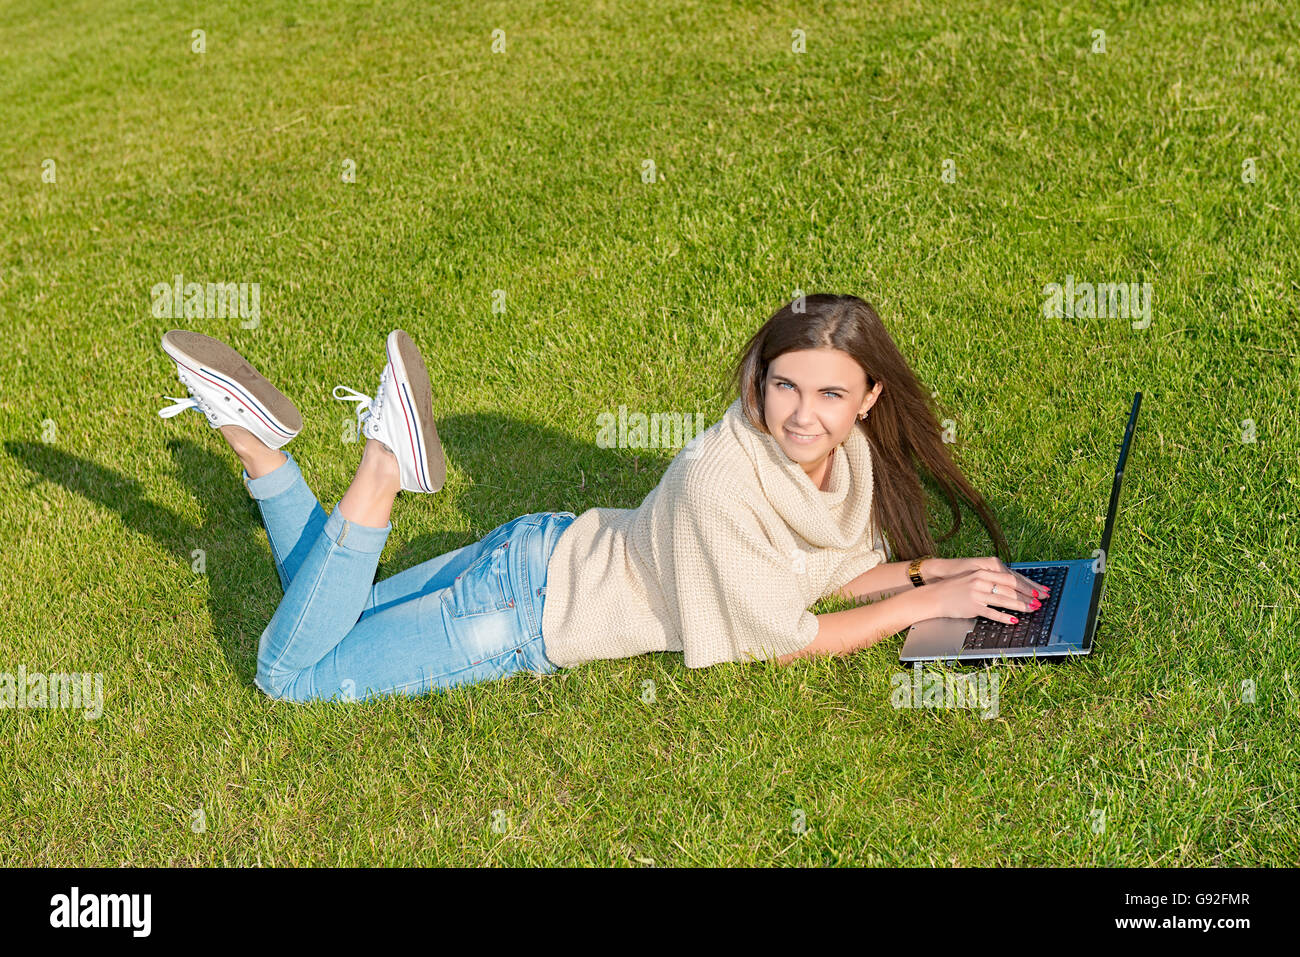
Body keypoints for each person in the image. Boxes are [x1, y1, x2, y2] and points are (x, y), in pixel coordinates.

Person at [157, 294, 1048, 704]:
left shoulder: (844, 462)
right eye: (785, 386)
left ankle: (250, 439)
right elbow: (787, 638)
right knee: (288, 675)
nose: (803, 414)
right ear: (758, 382)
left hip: (535, 554)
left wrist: (929, 568)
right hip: (518, 615)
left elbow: (814, 580)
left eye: (828, 393)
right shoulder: (721, 476)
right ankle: (387, 459)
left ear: (867, 400)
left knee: (324, 605)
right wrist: (928, 605)